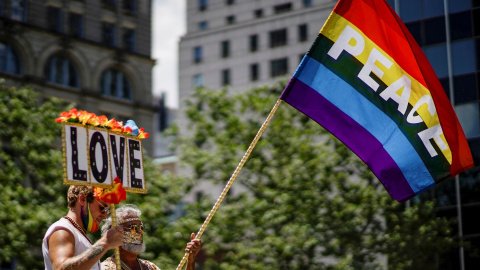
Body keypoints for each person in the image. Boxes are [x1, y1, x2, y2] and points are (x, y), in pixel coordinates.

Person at [42, 185, 124, 270]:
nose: (105, 215)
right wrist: (105, 243)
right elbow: (61, 268)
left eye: (107, 211)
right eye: (102, 208)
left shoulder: (78, 233)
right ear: (83, 200)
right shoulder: (62, 229)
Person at [100, 204, 202, 270]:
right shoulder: (105, 268)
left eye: (141, 227)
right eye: (133, 228)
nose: (140, 232)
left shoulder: (150, 267)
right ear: (116, 234)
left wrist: (191, 259)